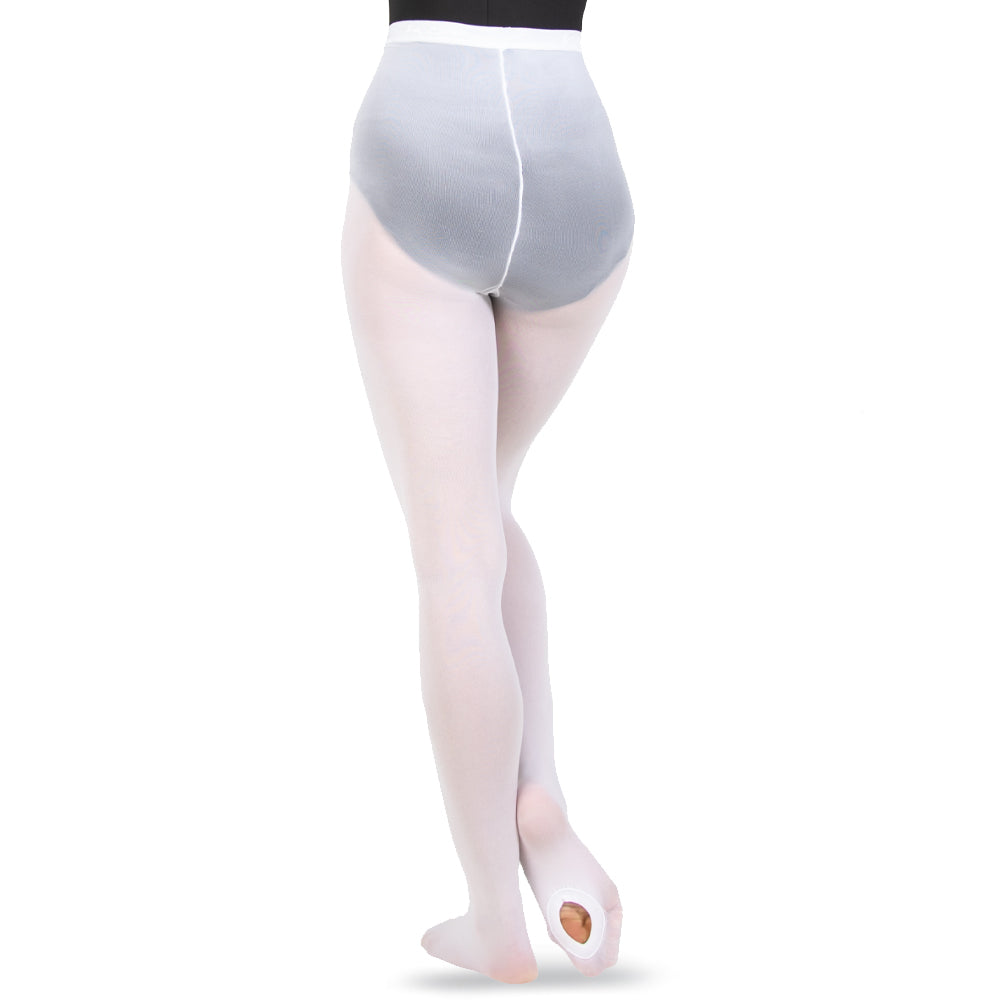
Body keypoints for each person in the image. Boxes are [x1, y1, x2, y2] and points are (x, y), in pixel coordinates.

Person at [340, 0, 634, 984]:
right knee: (485, 505)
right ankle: (538, 793)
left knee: (455, 551)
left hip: (426, 122)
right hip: (572, 139)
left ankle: (494, 916)